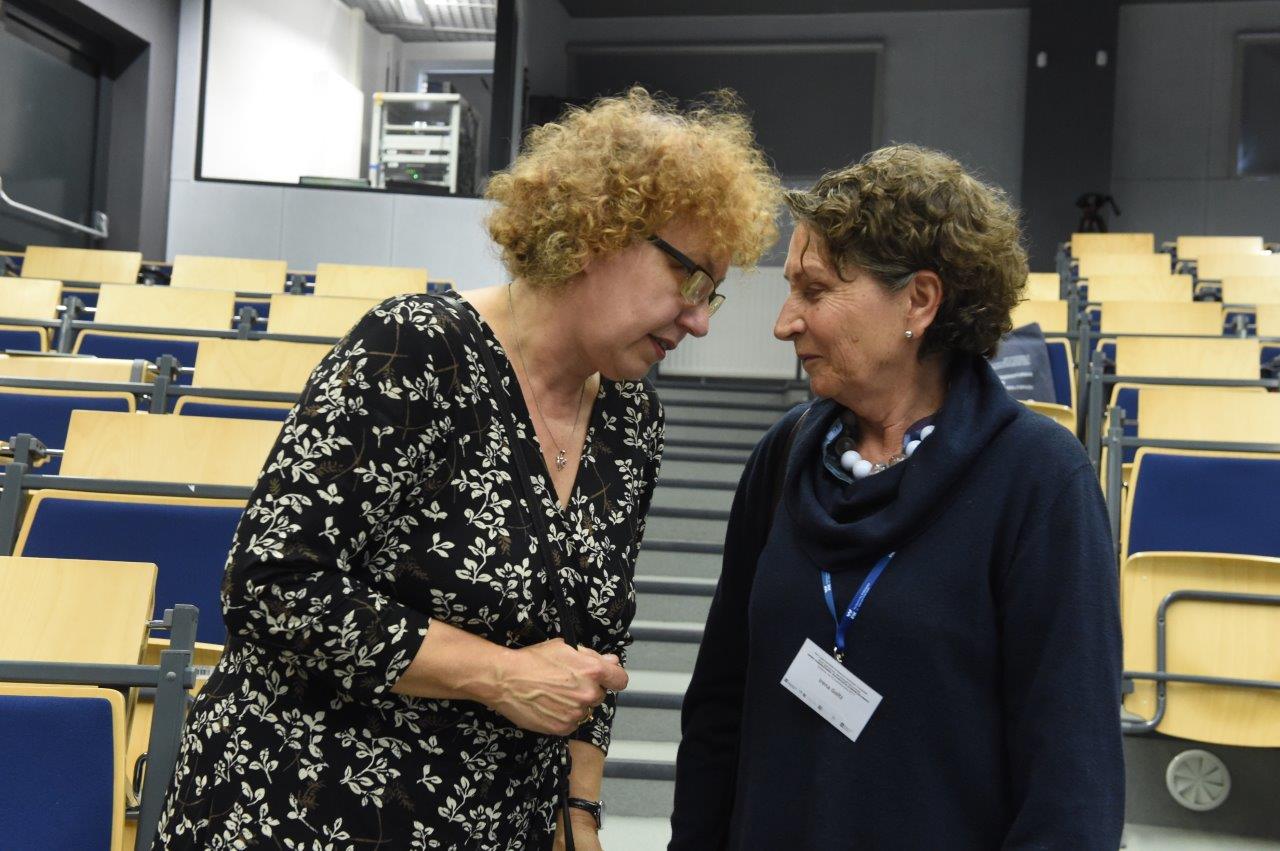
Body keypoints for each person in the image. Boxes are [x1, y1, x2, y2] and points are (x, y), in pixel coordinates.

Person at [153, 88, 780, 851]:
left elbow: (598, 643)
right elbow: (270, 584)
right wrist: (498, 673)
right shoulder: (416, 347)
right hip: (301, 809)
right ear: (600, 231)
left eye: (713, 294)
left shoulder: (631, 419)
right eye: (690, 280)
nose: (701, 319)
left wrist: (579, 812)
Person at [669, 144, 1124, 850]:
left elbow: (1072, 781)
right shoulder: (782, 456)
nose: (784, 322)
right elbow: (719, 710)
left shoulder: (1038, 480)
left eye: (815, 290)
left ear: (920, 299)